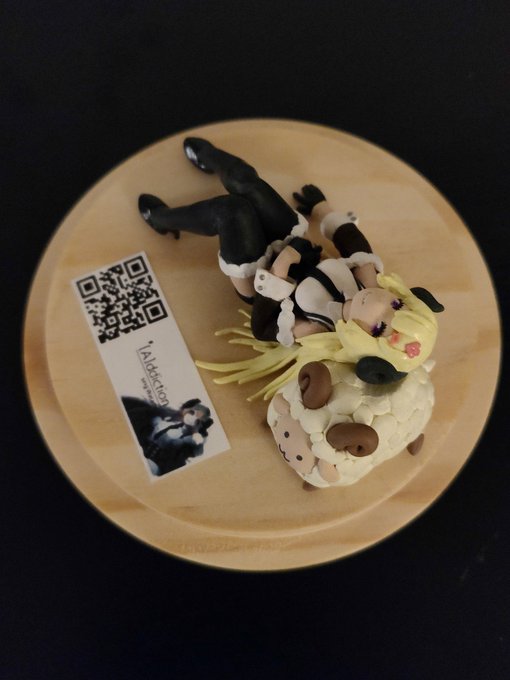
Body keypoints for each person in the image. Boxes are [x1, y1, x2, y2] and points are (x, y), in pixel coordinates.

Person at [139, 138, 443, 386]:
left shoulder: (316, 332)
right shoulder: (369, 279)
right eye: (396, 305)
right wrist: (321, 208)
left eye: (378, 328)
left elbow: (262, 328)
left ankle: (162, 219)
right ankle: (210, 158)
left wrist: (281, 268)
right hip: (295, 243)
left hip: (259, 276)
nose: (378, 303)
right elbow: (349, 236)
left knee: (232, 210)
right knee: (245, 180)